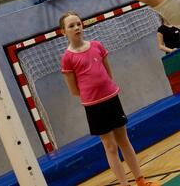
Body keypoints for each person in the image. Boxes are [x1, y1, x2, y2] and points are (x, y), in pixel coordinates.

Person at [60, 11, 159, 186]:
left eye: (78, 23)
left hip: (112, 98)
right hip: (94, 106)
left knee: (124, 140)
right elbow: (74, 90)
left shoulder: (97, 45)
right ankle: (124, 184)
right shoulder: (68, 58)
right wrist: (92, 94)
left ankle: (140, 180)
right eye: (71, 26)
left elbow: (108, 73)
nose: (76, 28)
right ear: (63, 32)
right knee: (110, 146)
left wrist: (105, 88)